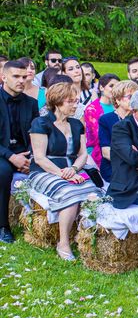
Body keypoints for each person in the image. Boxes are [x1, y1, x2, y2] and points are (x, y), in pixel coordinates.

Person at [29, 82, 101, 260]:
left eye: (76, 101)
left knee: (96, 192)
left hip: (73, 169)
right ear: (57, 101)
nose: (76, 105)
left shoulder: (77, 124)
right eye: (71, 101)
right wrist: (63, 174)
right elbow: (39, 158)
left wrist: (74, 168)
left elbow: (83, 153)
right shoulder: (41, 123)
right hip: (44, 171)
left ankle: (87, 237)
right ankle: (63, 242)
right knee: (70, 194)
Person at [0, 60, 39, 243]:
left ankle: (40, 226)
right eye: (16, 76)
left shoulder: (31, 103)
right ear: (3, 77)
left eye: (24, 77)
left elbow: (36, 133)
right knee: (4, 172)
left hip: (25, 153)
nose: (21, 80)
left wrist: (32, 157)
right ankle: (3, 226)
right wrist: (11, 157)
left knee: (43, 169)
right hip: (2, 153)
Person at [98, 80, 138, 183]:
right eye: (130, 97)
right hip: (114, 167)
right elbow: (106, 152)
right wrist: (130, 156)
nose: (134, 101)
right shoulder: (106, 119)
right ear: (118, 100)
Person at [84, 73, 120, 168]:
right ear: (101, 88)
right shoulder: (92, 109)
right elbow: (98, 135)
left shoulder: (119, 107)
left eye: (117, 86)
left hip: (117, 146)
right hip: (98, 149)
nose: (114, 89)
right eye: (111, 86)